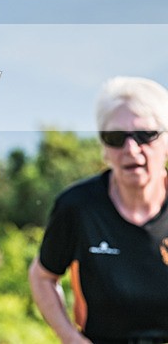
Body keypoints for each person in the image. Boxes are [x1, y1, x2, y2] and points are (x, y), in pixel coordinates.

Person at [29, 76, 168, 344]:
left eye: (145, 135)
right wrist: (69, 337)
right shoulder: (78, 207)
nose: (131, 148)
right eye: (116, 137)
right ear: (104, 147)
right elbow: (42, 276)